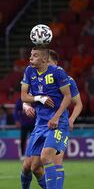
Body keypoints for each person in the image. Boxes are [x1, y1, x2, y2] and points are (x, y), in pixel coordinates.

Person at [20, 49, 83, 189]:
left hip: (58, 123)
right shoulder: (34, 73)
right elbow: (26, 97)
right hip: (40, 124)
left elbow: (78, 103)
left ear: (55, 63)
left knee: (54, 159)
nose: (47, 65)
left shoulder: (65, 79)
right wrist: (26, 106)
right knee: (33, 166)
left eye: (49, 62)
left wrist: (71, 119)